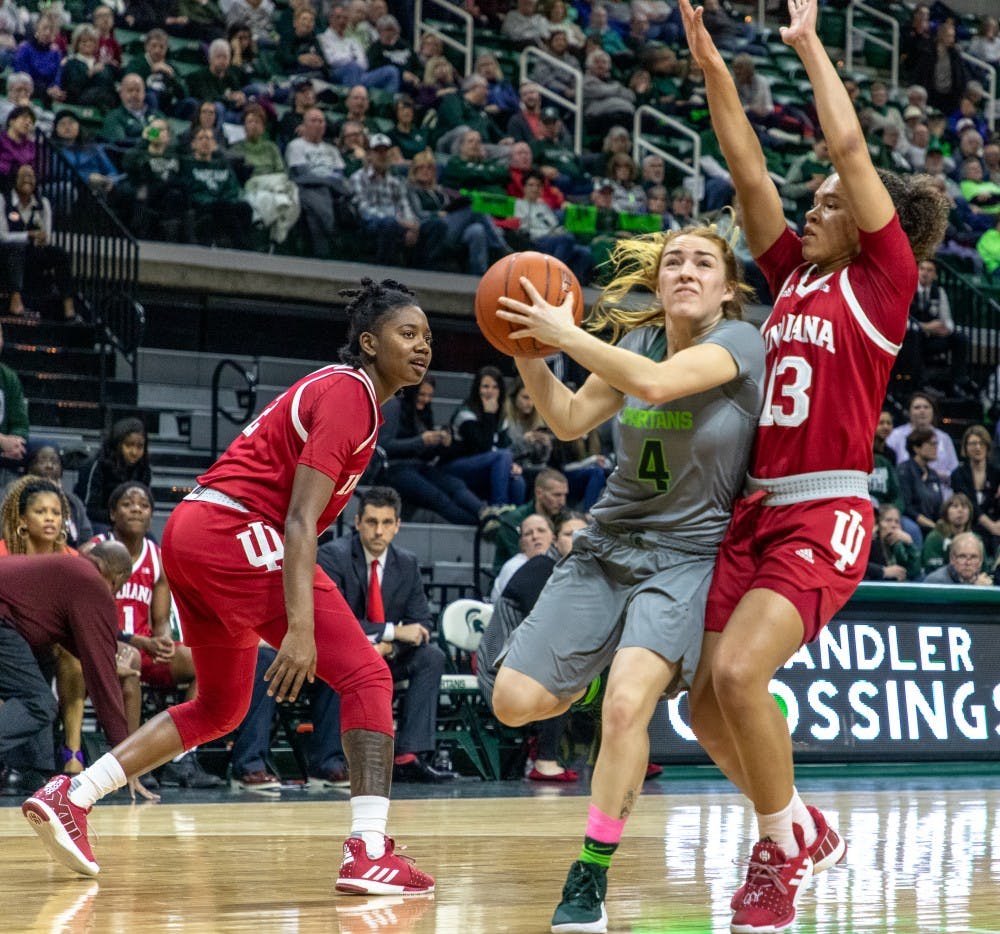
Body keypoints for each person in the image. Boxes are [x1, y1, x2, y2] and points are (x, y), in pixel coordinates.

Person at [674, 2, 949, 931]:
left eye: (830, 202)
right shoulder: (793, 274)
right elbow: (748, 167)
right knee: (704, 707)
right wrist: (713, 67)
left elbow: (851, 150)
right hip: (752, 510)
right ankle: (798, 826)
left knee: (745, 678)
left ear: (875, 227)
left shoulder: (884, 281)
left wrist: (805, 44)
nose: (816, 205)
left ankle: (776, 858)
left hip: (823, 509)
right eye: (817, 200)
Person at [24, 278, 436, 895]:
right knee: (368, 676)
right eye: (409, 334)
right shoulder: (351, 394)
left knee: (221, 707)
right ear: (369, 342)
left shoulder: (350, 396)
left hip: (197, 531)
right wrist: (299, 629)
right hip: (237, 533)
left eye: (428, 336)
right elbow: (299, 521)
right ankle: (369, 850)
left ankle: (73, 794)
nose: (423, 346)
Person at [488, 218, 765, 931]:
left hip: (683, 559)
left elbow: (656, 382)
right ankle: (585, 673)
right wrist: (526, 349)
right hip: (608, 543)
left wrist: (565, 332)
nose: (684, 270)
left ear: (727, 286)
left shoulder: (739, 342)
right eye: (673, 260)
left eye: (703, 262)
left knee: (626, 708)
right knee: (513, 702)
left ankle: (590, 874)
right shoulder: (635, 339)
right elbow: (570, 414)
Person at [313, 487, 457, 783]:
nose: (379, 531)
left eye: (387, 523)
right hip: (343, 652)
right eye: (372, 522)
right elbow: (335, 621)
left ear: (397, 525)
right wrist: (393, 632)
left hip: (385, 655)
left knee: (431, 656)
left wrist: (388, 647)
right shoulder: (333, 556)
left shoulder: (407, 563)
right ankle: (330, 760)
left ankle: (407, 754)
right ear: (357, 522)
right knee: (341, 661)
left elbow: (420, 623)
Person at [85, 482, 219, 789]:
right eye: (128, 504)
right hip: (105, 645)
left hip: (142, 646)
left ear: (151, 516)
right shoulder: (93, 551)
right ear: (112, 513)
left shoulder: (159, 557)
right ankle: (128, 766)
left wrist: (162, 642)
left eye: (143, 505)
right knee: (129, 659)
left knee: (205, 664)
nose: (136, 509)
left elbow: (160, 620)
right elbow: (86, 613)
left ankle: (182, 759)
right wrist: (130, 641)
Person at [3, 544, 134, 801]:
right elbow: (102, 680)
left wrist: (107, 661)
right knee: (38, 704)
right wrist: (125, 760)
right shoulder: (92, 582)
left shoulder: (68, 570)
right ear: (117, 578)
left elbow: (85, 651)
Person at [477, 511, 589, 783]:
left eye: (583, 535)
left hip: (522, 665)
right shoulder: (541, 567)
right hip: (499, 671)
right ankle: (546, 759)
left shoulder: (574, 575)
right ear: (555, 541)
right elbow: (551, 634)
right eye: (568, 535)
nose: (577, 541)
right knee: (562, 664)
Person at [377, 376, 484, 525]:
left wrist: (441, 444)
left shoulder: (424, 412)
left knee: (454, 484)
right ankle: (479, 524)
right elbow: (384, 445)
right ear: (413, 392)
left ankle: (485, 513)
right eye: (422, 395)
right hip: (395, 468)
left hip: (420, 466)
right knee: (438, 497)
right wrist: (420, 441)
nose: (426, 399)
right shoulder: (394, 406)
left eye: (429, 396)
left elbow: (427, 455)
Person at [0, 164, 79, 323]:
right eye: (24, 175)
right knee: (16, 250)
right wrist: (27, 235)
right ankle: (15, 298)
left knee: (60, 254)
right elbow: (2, 236)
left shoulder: (43, 204)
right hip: (8, 253)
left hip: (34, 253)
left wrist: (40, 237)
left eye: (31, 176)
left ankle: (68, 304)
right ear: (15, 179)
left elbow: (46, 236)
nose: (28, 179)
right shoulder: (4, 200)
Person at [443, 366, 526, 507]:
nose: (490, 392)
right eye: (485, 386)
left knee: (517, 480)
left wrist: (514, 465)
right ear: (477, 389)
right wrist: (489, 414)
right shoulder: (465, 414)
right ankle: (499, 508)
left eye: (495, 387)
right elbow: (483, 447)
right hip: (458, 466)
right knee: (503, 456)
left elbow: (505, 446)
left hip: (489, 465)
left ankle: (511, 522)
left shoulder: (501, 415)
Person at [75, 417, 152, 529]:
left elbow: (144, 505)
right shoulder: (96, 465)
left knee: (150, 538)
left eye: (140, 447)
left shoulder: (144, 469)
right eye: (129, 445)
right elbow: (88, 510)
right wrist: (120, 518)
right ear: (117, 444)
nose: (134, 452)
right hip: (96, 523)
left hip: (127, 523)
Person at [492, 467, 568, 575]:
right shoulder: (513, 520)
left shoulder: (562, 518)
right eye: (557, 495)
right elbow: (524, 560)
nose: (562, 502)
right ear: (539, 493)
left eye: (565, 495)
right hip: (513, 580)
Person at [884, 392, 958, 494]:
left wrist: (938, 475)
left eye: (926, 407)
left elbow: (955, 472)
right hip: (905, 490)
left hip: (941, 492)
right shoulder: (895, 435)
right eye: (917, 407)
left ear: (933, 412)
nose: (922, 411)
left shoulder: (944, 438)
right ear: (909, 412)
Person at [24, 446, 91, 548]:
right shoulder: (18, 497)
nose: (49, 466)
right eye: (42, 461)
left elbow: (85, 535)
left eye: (54, 462)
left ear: (61, 471)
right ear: (30, 468)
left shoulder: (72, 501)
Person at [950, 425, 1000, 557]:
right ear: (965, 448)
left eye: (981, 443)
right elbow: (969, 502)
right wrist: (991, 526)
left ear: (988, 446)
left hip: (995, 523)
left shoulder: (996, 473)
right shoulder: (958, 474)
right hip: (969, 524)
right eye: (973, 443)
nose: (978, 447)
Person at [490, 512, 557, 603]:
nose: (535, 536)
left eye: (541, 531)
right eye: (528, 534)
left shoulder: (561, 563)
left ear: (553, 538)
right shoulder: (514, 568)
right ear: (522, 544)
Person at [920, 492, 977, 575]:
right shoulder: (935, 538)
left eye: (964, 507)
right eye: (955, 506)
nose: (960, 510)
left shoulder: (975, 539)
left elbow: (983, 569)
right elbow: (932, 570)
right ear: (946, 512)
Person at [864, 504, 921, 581]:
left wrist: (909, 544)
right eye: (888, 520)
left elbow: (914, 572)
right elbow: (858, 565)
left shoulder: (898, 545)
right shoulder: (869, 542)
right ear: (877, 524)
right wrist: (883, 571)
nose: (893, 525)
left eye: (897, 522)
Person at [0, 322, 27, 482]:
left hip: (5, 447)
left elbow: (20, 423)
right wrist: (2, 441)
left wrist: (15, 442)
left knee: (47, 450)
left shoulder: (8, 377)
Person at [923, 531, 992, 585]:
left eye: (973, 557)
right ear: (952, 559)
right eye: (962, 557)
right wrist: (976, 592)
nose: (968, 563)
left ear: (980, 561)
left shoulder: (986, 583)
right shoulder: (936, 582)